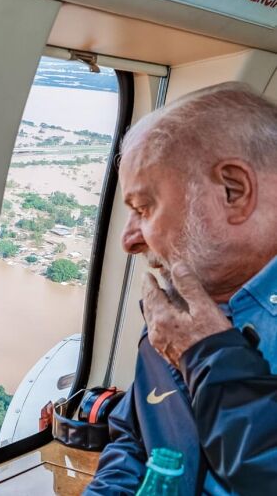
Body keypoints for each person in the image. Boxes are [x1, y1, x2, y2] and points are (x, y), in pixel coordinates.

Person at [85, 82, 277, 495]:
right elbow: (136, 444)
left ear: (233, 191)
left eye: (143, 208)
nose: (129, 240)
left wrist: (209, 355)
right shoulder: (178, 313)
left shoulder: (190, 335)